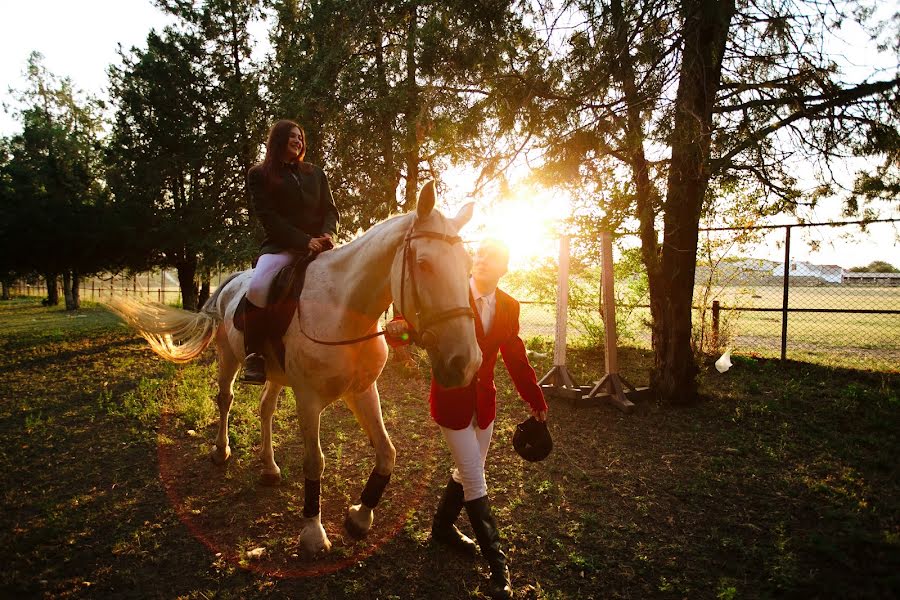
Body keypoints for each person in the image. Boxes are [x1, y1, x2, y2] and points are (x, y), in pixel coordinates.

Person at [386, 239, 548, 600]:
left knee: (467, 470)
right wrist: (401, 331)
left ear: (504, 268)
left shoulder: (508, 305)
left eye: (492, 258)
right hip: (451, 400)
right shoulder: (451, 294)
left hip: (484, 403)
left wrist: (535, 399)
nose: (482, 261)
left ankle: (442, 528)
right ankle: (499, 569)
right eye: (479, 255)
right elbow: (412, 327)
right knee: (475, 477)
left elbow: (515, 356)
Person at [242, 119, 339, 384]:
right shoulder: (259, 174)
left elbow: (330, 210)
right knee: (259, 284)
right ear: (279, 139)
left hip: (321, 245)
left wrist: (328, 234)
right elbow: (268, 218)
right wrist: (303, 240)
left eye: (301, 137)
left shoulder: (316, 173)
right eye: (292, 136)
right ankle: (254, 355)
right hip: (281, 246)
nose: (298, 141)